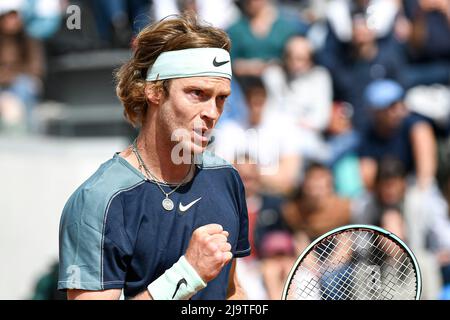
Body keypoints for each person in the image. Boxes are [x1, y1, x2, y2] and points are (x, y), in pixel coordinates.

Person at [58, 14, 250, 300]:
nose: (212, 113)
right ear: (153, 91)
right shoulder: (99, 199)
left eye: (221, 98)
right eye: (197, 93)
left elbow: (231, 291)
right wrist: (187, 275)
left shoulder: (225, 178)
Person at [358, 79, 437, 191]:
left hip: (414, 188)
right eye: (391, 106)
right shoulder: (367, 135)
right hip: (383, 193)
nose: (398, 110)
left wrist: (417, 194)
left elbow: (426, 176)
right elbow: (367, 177)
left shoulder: (416, 126)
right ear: (375, 112)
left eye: (399, 103)